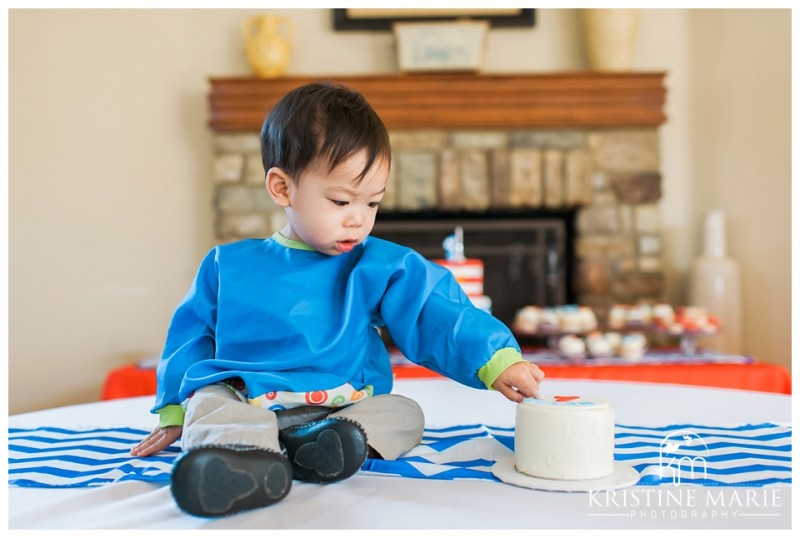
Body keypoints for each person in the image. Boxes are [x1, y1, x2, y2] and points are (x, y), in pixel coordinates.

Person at [131, 81, 544, 518]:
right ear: (282, 188)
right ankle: (242, 462)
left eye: (372, 204)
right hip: (244, 396)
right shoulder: (226, 265)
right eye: (341, 200)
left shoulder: (378, 265)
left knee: (404, 413)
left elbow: (432, 309)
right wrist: (175, 410)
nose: (358, 220)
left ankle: (322, 447)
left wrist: (495, 358)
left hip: (339, 404)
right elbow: (190, 338)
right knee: (208, 405)